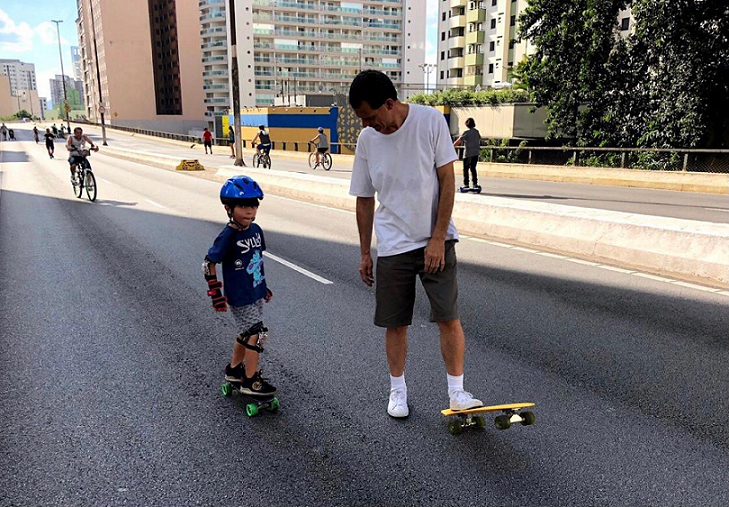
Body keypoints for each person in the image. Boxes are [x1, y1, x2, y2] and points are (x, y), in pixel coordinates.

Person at [348, 70, 482, 418]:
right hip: (393, 243)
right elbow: (364, 198)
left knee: (448, 317)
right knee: (396, 323)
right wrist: (366, 251)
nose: (368, 125)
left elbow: (447, 181)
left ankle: (457, 392)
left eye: (371, 116)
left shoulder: (429, 122)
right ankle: (398, 392)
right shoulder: (367, 140)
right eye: (362, 119)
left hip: (436, 239)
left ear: (389, 103)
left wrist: (438, 237)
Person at [203, 175, 276, 397]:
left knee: (246, 333)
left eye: (254, 205)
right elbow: (209, 262)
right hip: (239, 295)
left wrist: (264, 286)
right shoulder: (228, 235)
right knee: (257, 333)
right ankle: (250, 380)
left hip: (255, 291)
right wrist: (216, 293)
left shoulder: (256, 231)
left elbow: (256, 260)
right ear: (228, 208)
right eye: (244, 206)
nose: (250, 211)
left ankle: (234, 370)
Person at [453, 118, 482, 192]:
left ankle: (466, 184)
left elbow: (459, 140)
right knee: (473, 168)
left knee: (466, 169)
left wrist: (452, 146)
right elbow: (479, 138)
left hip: (468, 154)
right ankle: (475, 183)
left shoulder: (466, 132)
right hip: (476, 153)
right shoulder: (476, 132)